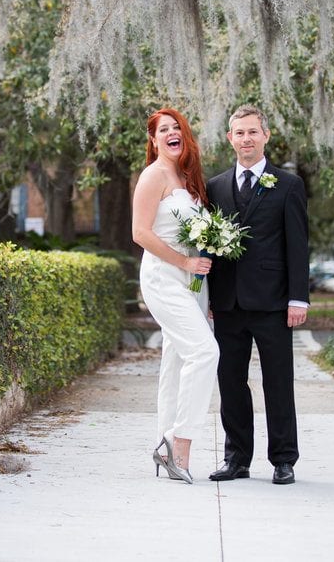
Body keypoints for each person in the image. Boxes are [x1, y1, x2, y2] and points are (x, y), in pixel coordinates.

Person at [205, 105, 309, 485]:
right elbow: (209, 246)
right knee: (230, 380)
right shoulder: (214, 187)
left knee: (277, 381)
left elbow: (298, 246)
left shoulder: (288, 185)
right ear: (229, 138)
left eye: (252, 132)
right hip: (228, 303)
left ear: (266, 136)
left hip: (273, 302)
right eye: (239, 133)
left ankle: (284, 459)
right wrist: (209, 299)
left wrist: (299, 299)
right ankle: (237, 459)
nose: (246, 139)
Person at [132, 108, 220, 485]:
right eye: (162, 130)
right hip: (163, 277)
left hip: (193, 283)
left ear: (184, 136)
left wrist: (202, 282)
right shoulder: (153, 176)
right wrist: (184, 260)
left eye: (176, 128)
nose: (171, 133)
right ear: (154, 141)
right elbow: (140, 232)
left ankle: (161, 443)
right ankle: (178, 442)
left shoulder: (187, 178)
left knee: (175, 361)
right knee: (206, 352)